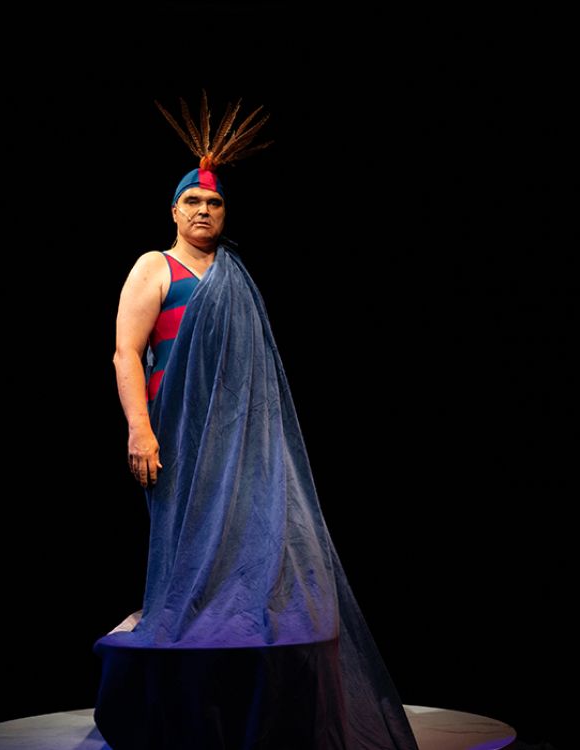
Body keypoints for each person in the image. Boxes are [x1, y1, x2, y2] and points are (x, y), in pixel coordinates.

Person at [93, 93, 420, 750]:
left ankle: (235, 650)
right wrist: (140, 429)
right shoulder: (154, 267)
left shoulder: (236, 275)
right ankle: (178, 649)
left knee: (243, 545)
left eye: (214, 203)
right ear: (173, 210)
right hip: (176, 435)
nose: (204, 211)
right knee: (184, 543)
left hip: (239, 441)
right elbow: (126, 352)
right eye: (192, 201)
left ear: (225, 213)